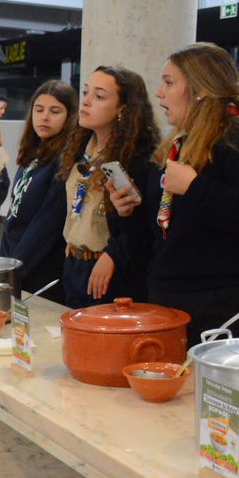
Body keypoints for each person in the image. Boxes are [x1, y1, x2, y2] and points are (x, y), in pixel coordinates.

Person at [116, 42, 239, 347]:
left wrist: (195, 187)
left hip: (234, 315)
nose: (160, 93)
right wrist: (129, 214)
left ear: (200, 88)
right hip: (176, 308)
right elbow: (163, 238)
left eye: (169, 82)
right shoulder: (179, 145)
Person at [57, 65, 160, 308]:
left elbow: (143, 227)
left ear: (122, 109)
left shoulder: (139, 159)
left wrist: (113, 254)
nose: (87, 102)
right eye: (85, 93)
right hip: (75, 263)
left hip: (111, 269)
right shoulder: (81, 150)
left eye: (99, 96)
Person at [1, 80, 75, 304]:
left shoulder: (64, 159)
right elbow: (14, 212)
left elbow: (46, 226)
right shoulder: (33, 153)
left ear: (69, 117)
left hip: (41, 271)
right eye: (39, 109)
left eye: (55, 111)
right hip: (14, 263)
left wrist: (15, 273)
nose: (44, 117)